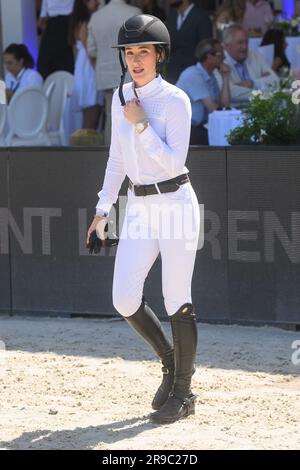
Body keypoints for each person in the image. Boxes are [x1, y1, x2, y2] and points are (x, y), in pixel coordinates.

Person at [87, 14, 200, 424]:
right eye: (129, 53)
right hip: (137, 207)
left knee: (177, 299)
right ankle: (170, 363)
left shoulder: (175, 100)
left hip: (175, 204)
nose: (135, 60)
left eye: (143, 52)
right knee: (123, 298)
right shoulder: (120, 98)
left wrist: (142, 126)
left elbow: (174, 162)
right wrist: (102, 210)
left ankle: (185, 394)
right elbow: (117, 159)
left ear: (160, 55)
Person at [87, 0, 141, 145]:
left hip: (105, 74)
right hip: (129, 72)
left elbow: (91, 49)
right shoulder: (133, 13)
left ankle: (110, 153)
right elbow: (140, 44)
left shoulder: (96, 16)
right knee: (132, 114)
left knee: (110, 114)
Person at [176, 38, 230, 145]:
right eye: (221, 54)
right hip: (185, 130)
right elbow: (213, 108)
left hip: (200, 127)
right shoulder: (193, 75)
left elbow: (225, 105)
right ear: (209, 56)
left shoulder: (212, 76)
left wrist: (226, 78)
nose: (224, 57)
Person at [214, 24, 279, 106]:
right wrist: (263, 91)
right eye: (240, 43)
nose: (245, 46)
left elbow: (275, 81)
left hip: (261, 108)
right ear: (227, 45)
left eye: (246, 42)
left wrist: (252, 83)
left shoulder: (256, 56)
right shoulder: (219, 62)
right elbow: (230, 93)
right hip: (235, 112)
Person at [69, 0, 104, 130]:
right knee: (91, 116)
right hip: (89, 69)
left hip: (83, 67)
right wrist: (98, 71)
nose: (97, 2)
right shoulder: (85, 23)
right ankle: (86, 147)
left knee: (91, 116)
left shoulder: (80, 23)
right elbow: (89, 51)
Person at [165, 0, 213, 84]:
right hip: (172, 75)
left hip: (193, 77)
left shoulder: (202, 17)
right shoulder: (172, 16)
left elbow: (205, 50)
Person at [37, 0, 75, 79]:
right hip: (58, 23)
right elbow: (42, 19)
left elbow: (42, 19)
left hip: (64, 22)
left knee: (51, 62)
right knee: (58, 61)